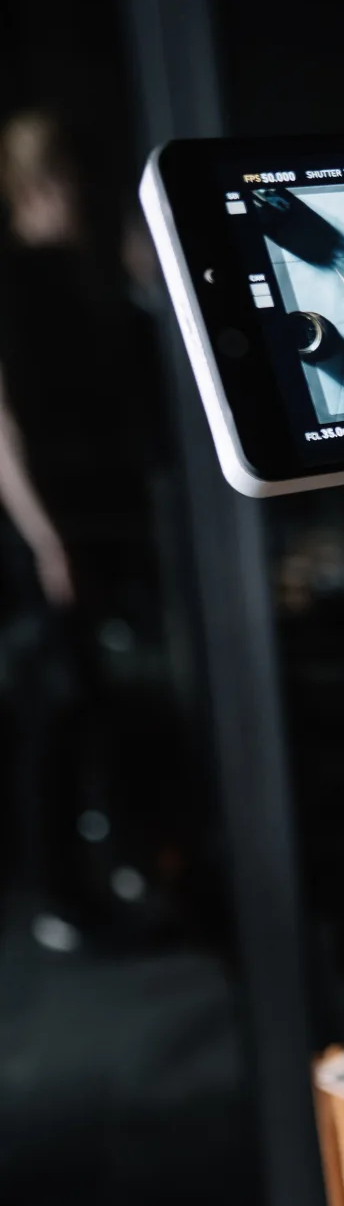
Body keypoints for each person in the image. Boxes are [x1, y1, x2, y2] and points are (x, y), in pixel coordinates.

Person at [0, 110, 164, 948]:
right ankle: (64, 896)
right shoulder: (18, 286)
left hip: (99, 523)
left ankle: (124, 862)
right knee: (59, 712)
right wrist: (45, 538)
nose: (83, 198)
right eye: (67, 181)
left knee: (100, 704)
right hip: (52, 533)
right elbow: (5, 428)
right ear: (34, 187)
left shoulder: (78, 278)